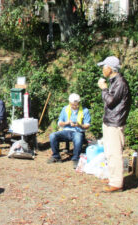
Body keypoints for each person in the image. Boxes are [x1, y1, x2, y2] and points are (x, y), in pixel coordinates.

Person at [97, 56, 131, 193]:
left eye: (104, 66)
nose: (102, 69)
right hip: (110, 121)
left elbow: (111, 102)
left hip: (115, 123)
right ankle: (112, 177)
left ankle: (116, 183)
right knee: (109, 152)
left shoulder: (120, 83)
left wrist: (104, 89)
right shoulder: (115, 81)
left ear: (110, 68)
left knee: (115, 153)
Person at [47, 93, 91, 169]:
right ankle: (56, 156)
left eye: (76, 105)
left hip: (78, 131)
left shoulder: (85, 110)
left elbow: (87, 125)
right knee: (52, 135)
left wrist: (79, 125)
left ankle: (76, 158)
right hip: (66, 131)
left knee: (78, 137)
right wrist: (66, 122)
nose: (74, 106)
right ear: (69, 103)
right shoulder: (65, 109)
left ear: (79, 103)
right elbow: (60, 123)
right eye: (72, 105)